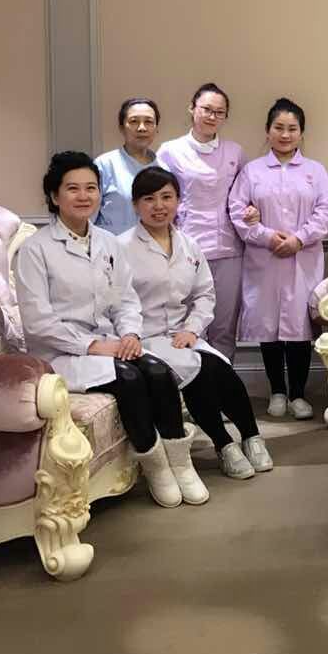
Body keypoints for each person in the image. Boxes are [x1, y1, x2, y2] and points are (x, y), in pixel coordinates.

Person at [16, 151, 208, 510]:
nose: (83, 196)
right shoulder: (35, 250)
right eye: (73, 188)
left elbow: (126, 300)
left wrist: (131, 335)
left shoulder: (108, 242)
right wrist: (93, 346)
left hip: (112, 342)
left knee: (158, 371)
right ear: (55, 196)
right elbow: (38, 322)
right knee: (131, 379)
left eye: (91, 188)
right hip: (62, 352)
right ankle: (156, 468)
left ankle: (181, 464)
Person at [120, 166, 273, 478]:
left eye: (166, 197)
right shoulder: (120, 248)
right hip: (144, 338)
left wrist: (191, 329)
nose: (159, 205)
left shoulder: (189, 245)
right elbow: (116, 301)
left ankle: (251, 436)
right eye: (149, 199)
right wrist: (131, 333)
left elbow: (204, 294)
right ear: (135, 205)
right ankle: (224, 444)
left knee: (222, 368)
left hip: (182, 333)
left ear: (178, 201)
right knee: (199, 373)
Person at [228, 98, 328, 420]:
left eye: (292, 128)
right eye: (279, 128)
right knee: (269, 327)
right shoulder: (252, 171)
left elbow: (325, 211)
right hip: (265, 258)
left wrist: (299, 238)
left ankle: (298, 394)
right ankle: (276, 391)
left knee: (299, 327)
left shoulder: (315, 171)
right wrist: (266, 236)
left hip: (303, 258)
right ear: (268, 131)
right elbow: (237, 210)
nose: (285, 135)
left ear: (301, 133)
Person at [156, 83, 247, 361]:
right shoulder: (170, 151)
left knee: (224, 326)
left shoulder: (234, 152)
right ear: (192, 109)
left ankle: (224, 380)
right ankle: (192, 380)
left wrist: (252, 212)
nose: (212, 116)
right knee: (187, 325)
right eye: (206, 109)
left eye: (220, 112)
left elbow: (245, 195)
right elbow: (161, 199)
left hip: (228, 248)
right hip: (184, 248)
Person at [93, 97, 160, 235]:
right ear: (122, 128)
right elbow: (88, 218)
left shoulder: (163, 168)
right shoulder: (105, 165)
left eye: (148, 122)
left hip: (153, 245)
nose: (142, 128)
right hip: (111, 246)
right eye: (134, 121)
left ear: (156, 128)